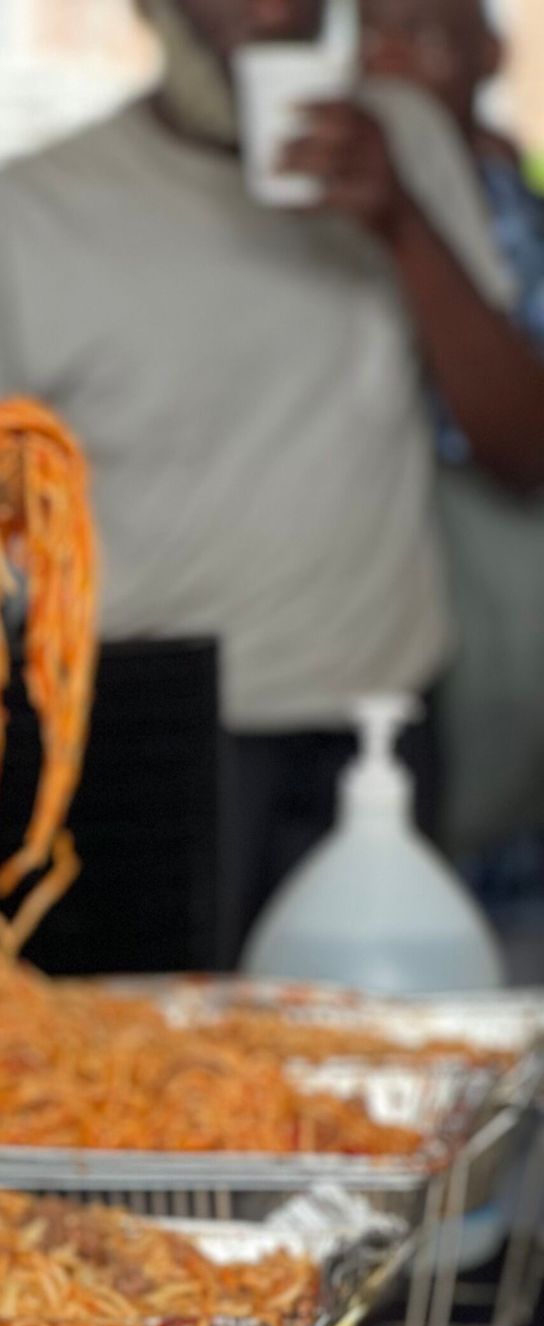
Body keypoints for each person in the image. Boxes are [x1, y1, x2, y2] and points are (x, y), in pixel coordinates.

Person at [0, 0, 544, 958]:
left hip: (379, 726)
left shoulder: (406, 146)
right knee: (161, 1083)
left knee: (368, 1073)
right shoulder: (26, 209)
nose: (265, 13)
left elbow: (522, 452)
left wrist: (403, 227)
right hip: (140, 737)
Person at [362, 0, 544, 864]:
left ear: (491, 57)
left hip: (489, 645)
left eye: (424, 36)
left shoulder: (490, 209)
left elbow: (518, 442)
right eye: (370, 32)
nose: (390, 60)